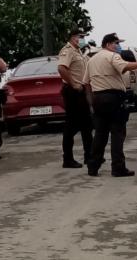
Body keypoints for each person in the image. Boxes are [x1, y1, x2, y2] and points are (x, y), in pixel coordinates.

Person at [83, 33, 137, 177]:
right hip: (113, 98)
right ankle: (118, 167)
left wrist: (91, 102)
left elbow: (86, 83)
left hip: (98, 98)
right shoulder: (113, 56)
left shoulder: (91, 60)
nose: (118, 46)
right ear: (109, 44)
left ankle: (93, 167)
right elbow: (125, 67)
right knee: (117, 133)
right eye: (116, 43)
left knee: (100, 134)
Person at [57, 27, 92, 169]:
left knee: (87, 125)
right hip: (73, 91)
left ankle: (89, 156)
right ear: (73, 37)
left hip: (81, 90)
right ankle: (68, 159)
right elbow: (61, 68)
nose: (82, 39)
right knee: (71, 125)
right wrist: (73, 84)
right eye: (80, 36)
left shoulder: (79, 52)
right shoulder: (67, 51)